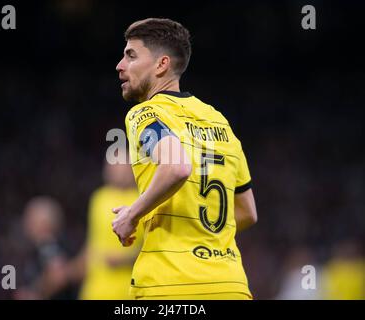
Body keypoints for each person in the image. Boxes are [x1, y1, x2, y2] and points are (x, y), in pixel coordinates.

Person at [112, 18, 258, 300]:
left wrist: (132, 215)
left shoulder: (146, 114)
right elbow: (248, 213)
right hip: (231, 286)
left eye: (131, 55)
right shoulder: (220, 122)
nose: (120, 65)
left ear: (161, 64)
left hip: (169, 286)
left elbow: (177, 167)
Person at [73, 149, 142, 299]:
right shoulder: (99, 198)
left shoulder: (142, 200)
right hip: (94, 288)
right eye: (112, 164)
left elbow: (150, 246)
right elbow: (92, 242)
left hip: (127, 289)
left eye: (121, 165)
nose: (115, 169)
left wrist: (125, 259)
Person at [13, 196, 78, 300]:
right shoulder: (40, 247)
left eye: (30, 220)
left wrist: (35, 293)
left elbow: (58, 277)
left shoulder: (48, 246)